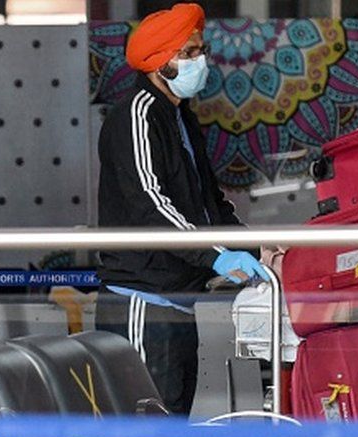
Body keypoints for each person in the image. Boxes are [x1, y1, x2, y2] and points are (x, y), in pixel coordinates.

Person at [94, 3, 268, 415]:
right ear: (159, 62)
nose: (200, 61)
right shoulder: (138, 114)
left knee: (172, 423)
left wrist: (258, 250)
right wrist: (218, 257)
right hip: (141, 298)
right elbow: (152, 206)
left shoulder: (180, 117)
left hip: (177, 301)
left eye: (200, 50)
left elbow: (210, 204)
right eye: (188, 53)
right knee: (143, 434)